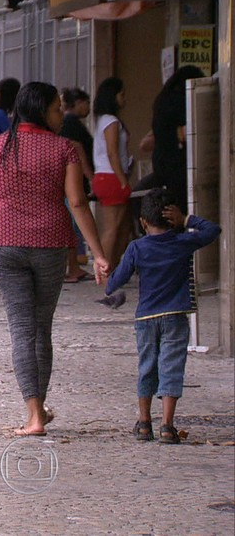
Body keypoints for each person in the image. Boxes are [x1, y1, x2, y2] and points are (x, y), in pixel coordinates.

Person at [0, 81, 109, 436]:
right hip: (50, 244)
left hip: (5, 244)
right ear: (42, 111)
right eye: (57, 109)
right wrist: (99, 253)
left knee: (21, 328)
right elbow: (77, 203)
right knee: (41, 328)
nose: (61, 115)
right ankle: (38, 410)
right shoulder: (65, 150)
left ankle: (33, 414)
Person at [104, 189, 220, 444]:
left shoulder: (136, 247)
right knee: (171, 368)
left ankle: (144, 423)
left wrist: (107, 282)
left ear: (143, 222)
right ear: (171, 219)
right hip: (176, 315)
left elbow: (117, 280)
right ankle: (167, 426)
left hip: (145, 319)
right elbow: (213, 230)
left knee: (147, 366)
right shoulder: (183, 242)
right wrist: (187, 220)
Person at [150, 66, 205, 210]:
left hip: (161, 159)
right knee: (183, 203)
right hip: (177, 160)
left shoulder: (163, 99)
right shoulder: (182, 101)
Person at [92, 77, 133, 269]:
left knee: (122, 227)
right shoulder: (111, 121)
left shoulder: (102, 120)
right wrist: (123, 180)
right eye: (122, 94)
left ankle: (113, 267)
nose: (124, 99)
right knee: (113, 228)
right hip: (112, 176)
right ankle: (107, 271)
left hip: (105, 175)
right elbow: (113, 152)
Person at [59, 87, 96, 282]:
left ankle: (72, 266)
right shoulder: (71, 122)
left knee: (70, 224)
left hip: (71, 179)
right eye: (86, 103)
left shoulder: (68, 123)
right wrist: (90, 177)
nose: (88, 107)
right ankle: (72, 267)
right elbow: (78, 150)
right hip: (74, 181)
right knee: (72, 223)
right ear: (78, 103)